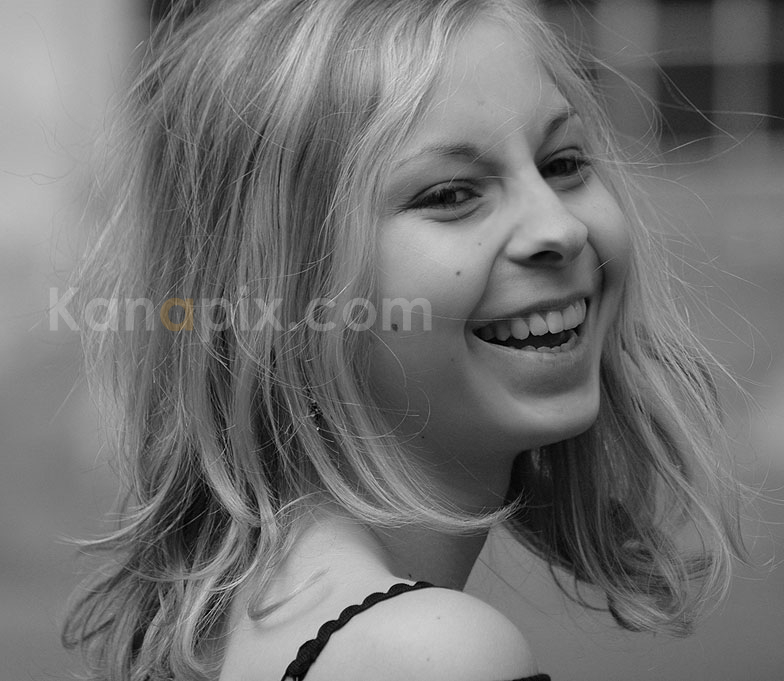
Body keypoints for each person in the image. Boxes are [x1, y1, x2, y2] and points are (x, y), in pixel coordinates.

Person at [62, 1, 744, 679]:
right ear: (284, 291)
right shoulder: (433, 655)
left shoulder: (238, 620)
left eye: (563, 162)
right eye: (450, 195)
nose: (559, 229)